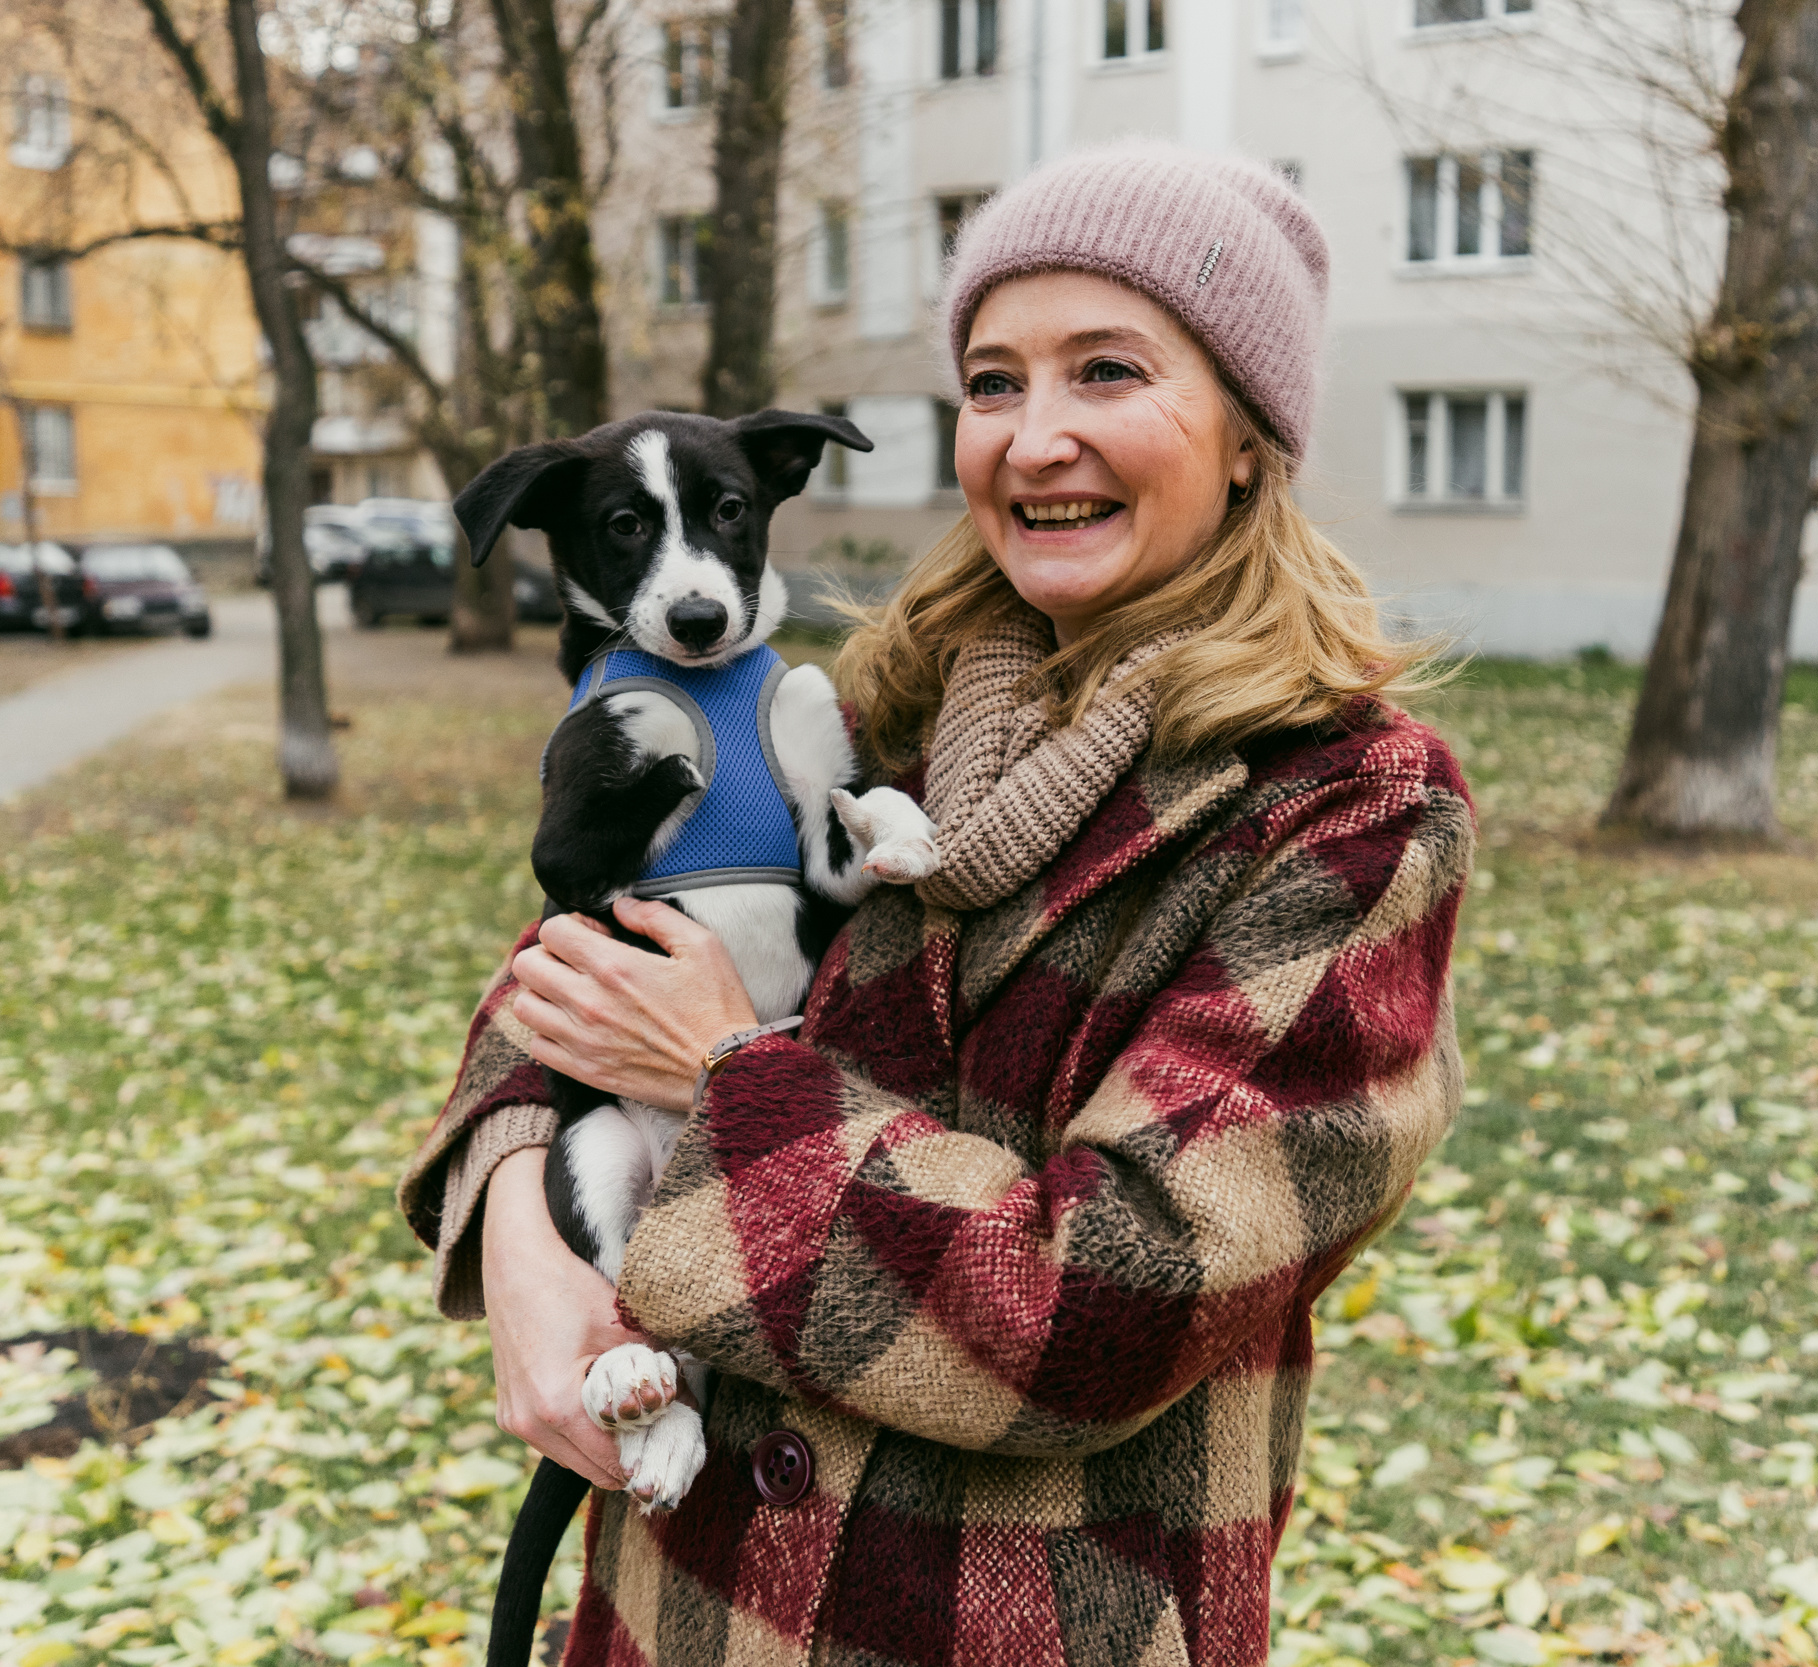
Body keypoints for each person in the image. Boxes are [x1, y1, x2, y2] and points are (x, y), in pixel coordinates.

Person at [397, 138, 1474, 1667]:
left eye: (1108, 371)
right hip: (681, 1606)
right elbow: (584, 952)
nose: (1036, 440)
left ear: (1249, 433)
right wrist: (518, 1225)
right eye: (992, 381)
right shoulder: (880, 709)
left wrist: (724, 1082)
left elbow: (1111, 1310)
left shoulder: (1344, 811)